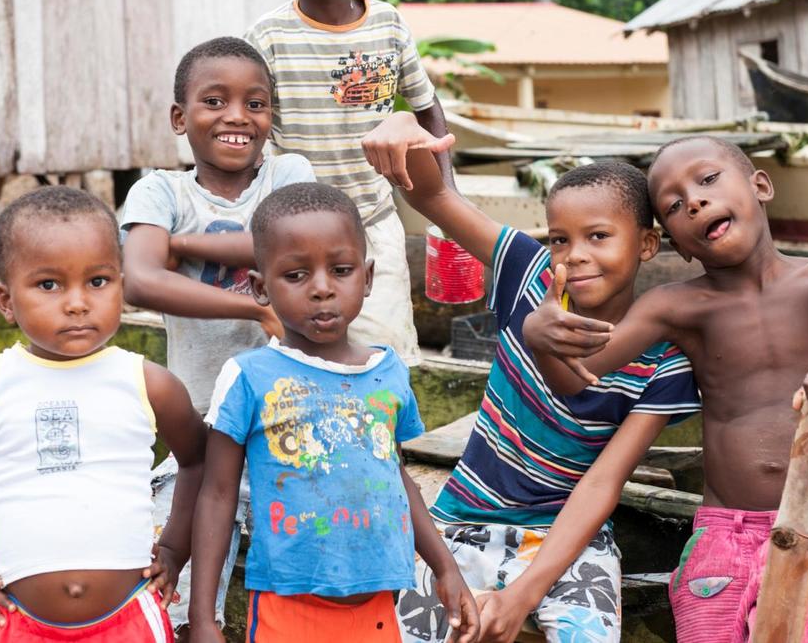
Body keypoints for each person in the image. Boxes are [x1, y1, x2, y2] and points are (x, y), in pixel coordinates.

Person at [522, 135, 808, 643]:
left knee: (784, 630)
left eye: (707, 180)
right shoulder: (675, 306)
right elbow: (575, 378)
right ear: (678, 246)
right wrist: (539, 336)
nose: (695, 201)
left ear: (761, 186)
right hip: (719, 532)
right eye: (674, 206)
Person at [362, 113, 701, 643]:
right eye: (560, 239)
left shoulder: (663, 361)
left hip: (569, 542)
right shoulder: (527, 272)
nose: (575, 255)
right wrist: (403, 124)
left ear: (647, 244)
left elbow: (602, 484)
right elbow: (435, 197)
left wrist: (522, 595)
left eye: (599, 236)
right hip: (460, 521)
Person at [0, 186, 207, 642]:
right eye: (49, 285)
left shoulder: (149, 383)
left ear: (122, 286)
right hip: (21, 623)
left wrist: (176, 548)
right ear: (6, 301)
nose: (77, 303)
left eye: (98, 281)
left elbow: (198, 460)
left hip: (131, 618)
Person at [186, 182, 477, 643]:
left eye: (341, 270)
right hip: (288, 606)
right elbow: (218, 496)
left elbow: (396, 476)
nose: (322, 289)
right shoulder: (248, 377)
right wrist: (203, 617)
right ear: (261, 288)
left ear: (367, 277)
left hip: (378, 605)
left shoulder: (387, 371)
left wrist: (446, 568)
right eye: (296, 275)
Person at [121, 35, 315, 631]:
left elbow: (297, 244)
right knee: (165, 587)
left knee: (310, 576)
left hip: (293, 425)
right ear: (180, 118)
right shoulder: (161, 190)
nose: (237, 116)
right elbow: (140, 280)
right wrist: (255, 310)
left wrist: (181, 244)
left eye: (255, 104)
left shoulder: (288, 173)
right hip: (202, 432)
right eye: (214, 101)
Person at [245, 0, 456, 366]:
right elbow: (251, 127)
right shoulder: (267, 37)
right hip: (292, 229)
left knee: (385, 353)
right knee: (295, 355)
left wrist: (448, 194)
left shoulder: (387, 24)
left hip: (372, 224)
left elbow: (427, 107)